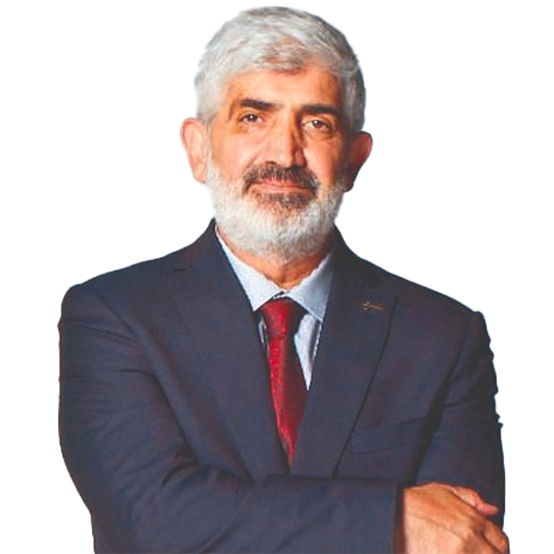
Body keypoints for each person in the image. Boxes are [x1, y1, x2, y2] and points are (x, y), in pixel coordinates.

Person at [58, 5, 508, 553]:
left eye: (317, 123)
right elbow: (154, 523)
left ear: (355, 158)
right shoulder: (112, 316)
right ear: (198, 148)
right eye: (253, 117)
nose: (285, 153)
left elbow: (464, 540)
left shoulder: (443, 336)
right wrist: (391, 518)